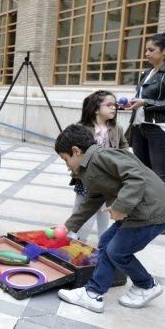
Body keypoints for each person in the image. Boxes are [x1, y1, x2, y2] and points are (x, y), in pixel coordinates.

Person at [55, 124, 165, 313]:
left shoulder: (101, 157)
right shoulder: (90, 166)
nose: (66, 165)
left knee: (117, 251)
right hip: (139, 212)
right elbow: (93, 199)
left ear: (76, 151)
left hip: (151, 212)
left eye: (65, 159)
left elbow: (135, 177)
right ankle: (94, 293)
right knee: (106, 243)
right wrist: (70, 226)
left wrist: (120, 207)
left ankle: (146, 285)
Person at [123, 30, 165, 235]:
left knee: (162, 173)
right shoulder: (146, 73)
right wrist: (133, 103)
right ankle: (150, 214)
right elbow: (141, 98)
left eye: (152, 50)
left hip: (160, 129)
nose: (147, 54)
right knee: (144, 173)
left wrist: (146, 102)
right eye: (146, 50)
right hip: (141, 126)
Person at [70, 90, 128, 241]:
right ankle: (77, 240)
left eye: (115, 105)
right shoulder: (82, 129)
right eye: (109, 105)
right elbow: (73, 152)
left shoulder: (116, 128)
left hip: (107, 180)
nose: (114, 108)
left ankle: (103, 242)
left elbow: (123, 146)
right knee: (82, 212)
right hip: (87, 180)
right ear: (96, 109)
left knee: (104, 212)